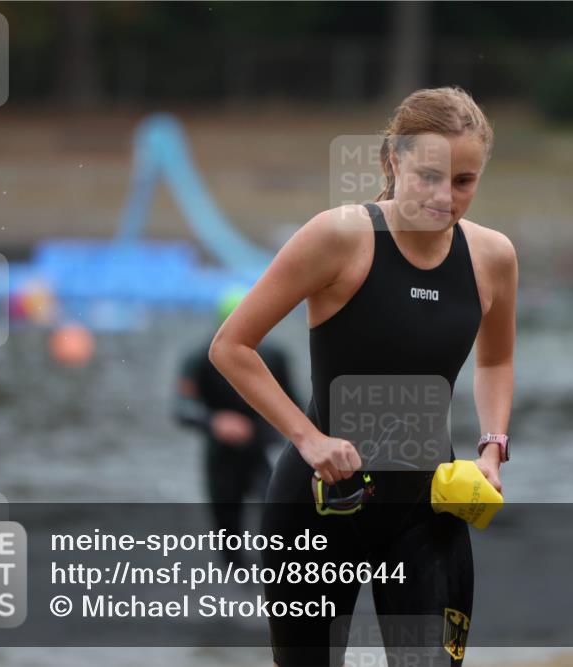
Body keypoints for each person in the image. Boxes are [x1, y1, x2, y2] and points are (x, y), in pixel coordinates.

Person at [209, 87, 517, 666]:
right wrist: (309, 439)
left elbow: (496, 360)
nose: (444, 197)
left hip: (430, 509)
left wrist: (492, 448)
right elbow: (231, 347)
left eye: (464, 181)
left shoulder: (492, 256)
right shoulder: (340, 237)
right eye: (429, 175)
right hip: (320, 505)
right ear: (393, 160)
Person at [175, 289, 298, 566]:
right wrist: (215, 421)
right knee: (227, 535)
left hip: (264, 448)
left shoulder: (274, 356)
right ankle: (234, 584)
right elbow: (182, 408)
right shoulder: (199, 359)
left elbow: (296, 404)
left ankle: (281, 574)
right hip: (221, 454)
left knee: (277, 515)